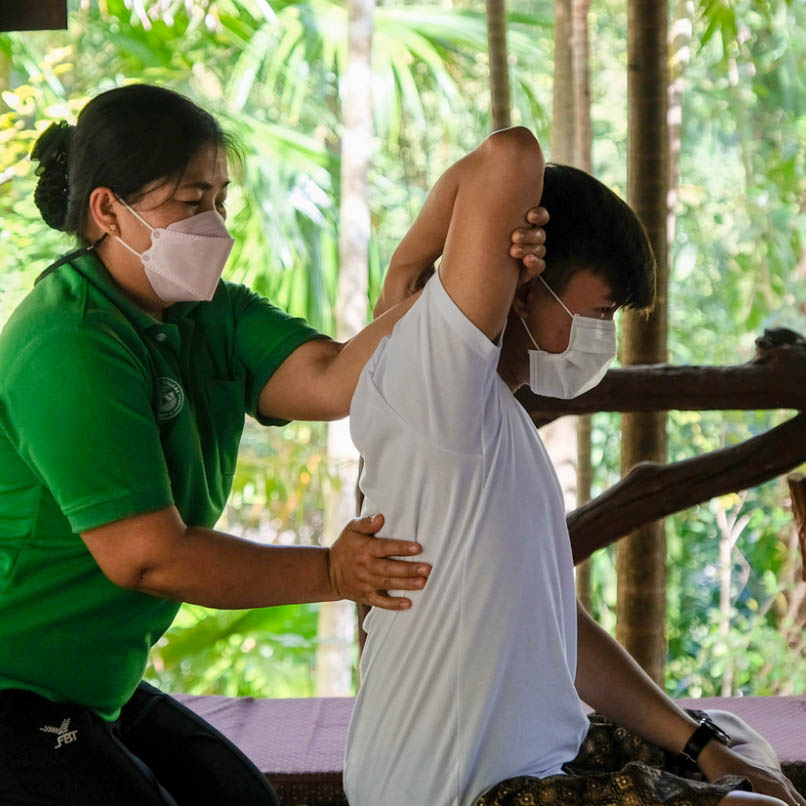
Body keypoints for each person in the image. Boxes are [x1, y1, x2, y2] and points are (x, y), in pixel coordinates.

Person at [0, 84, 548, 806]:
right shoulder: (66, 344)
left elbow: (334, 378)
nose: (215, 225)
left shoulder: (207, 312)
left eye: (221, 201)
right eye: (192, 203)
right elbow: (149, 556)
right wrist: (331, 572)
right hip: (17, 690)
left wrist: (457, 271)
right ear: (108, 211)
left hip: (95, 685)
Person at [343, 127, 804, 806]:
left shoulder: (496, 421)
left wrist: (701, 744)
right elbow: (508, 157)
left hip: (539, 766)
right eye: (597, 313)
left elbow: (562, 627)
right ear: (524, 287)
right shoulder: (444, 399)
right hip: (464, 793)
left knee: (734, 738)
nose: (602, 337)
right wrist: (410, 269)